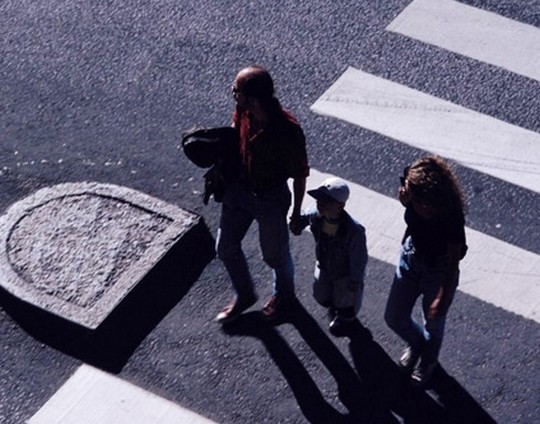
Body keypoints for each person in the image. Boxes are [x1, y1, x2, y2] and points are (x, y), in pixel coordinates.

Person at [215, 65, 309, 324]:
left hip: (270, 199)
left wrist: (296, 212)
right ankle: (245, 295)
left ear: (252, 98)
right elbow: (234, 130)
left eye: (237, 91)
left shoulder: (288, 130)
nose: (234, 94)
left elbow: (300, 173)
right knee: (225, 248)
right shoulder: (244, 112)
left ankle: (285, 298)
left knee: (275, 256)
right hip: (239, 191)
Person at [384, 156, 467, 387]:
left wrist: (442, 295)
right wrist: (405, 202)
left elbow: (453, 262)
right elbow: (412, 218)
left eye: (410, 192)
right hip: (411, 259)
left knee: (434, 325)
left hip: (437, 270)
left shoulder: (450, 217)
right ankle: (416, 342)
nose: (403, 191)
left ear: (428, 201)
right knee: (393, 317)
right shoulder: (412, 197)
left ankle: (428, 361)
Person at [298, 177, 368, 335]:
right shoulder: (317, 215)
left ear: (341, 205)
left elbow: (359, 260)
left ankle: (346, 318)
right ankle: (337, 305)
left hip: (344, 273)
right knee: (321, 296)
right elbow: (303, 218)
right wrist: (298, 222)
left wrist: (355, 281)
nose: (320, 203)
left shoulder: (354, 231)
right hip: (324, 265)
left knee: (346, 303)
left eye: (328, 201)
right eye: (320, 198)